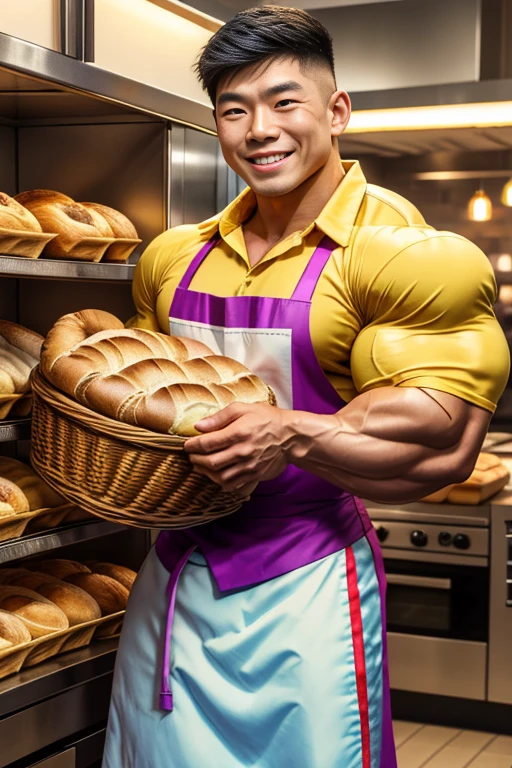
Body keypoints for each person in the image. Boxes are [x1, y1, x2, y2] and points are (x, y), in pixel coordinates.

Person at [102, 7, 509, 767]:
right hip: (175, 576)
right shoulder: (174, 257)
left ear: (336, 110)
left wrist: (288, 433)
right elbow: (140, 400)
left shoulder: (403, 252)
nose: (260, 129)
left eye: (285, 102)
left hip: (305, 579)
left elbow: (446, 443)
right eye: (234, 109)